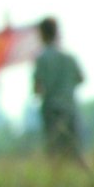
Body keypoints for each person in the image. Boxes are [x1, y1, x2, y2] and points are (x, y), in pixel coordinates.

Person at [33, 16, 85, 159]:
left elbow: (37, 89)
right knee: (73, 149)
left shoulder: (41, 58)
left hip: (51, 109)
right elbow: (81, 78)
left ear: (42, 33)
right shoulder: (69, 56)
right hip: (69, 107)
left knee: (54, 150)